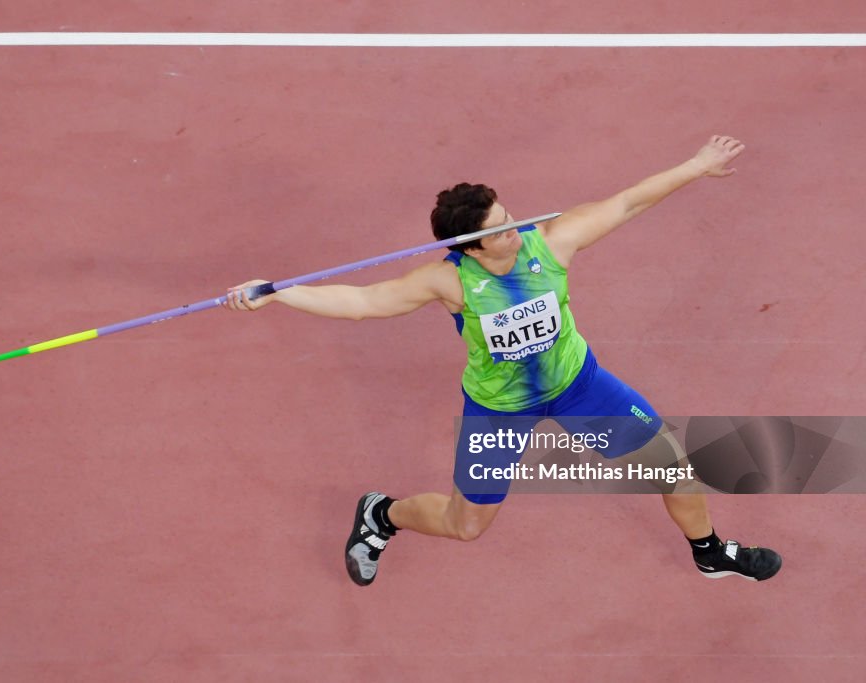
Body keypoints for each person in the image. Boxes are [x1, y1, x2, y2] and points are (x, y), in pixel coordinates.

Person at [224, 135, 781, 585]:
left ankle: (709, 552)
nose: (514, 231)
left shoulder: (552, 243)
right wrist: (277, 293)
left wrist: (697, 164)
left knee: (672, 465)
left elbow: (629, 201)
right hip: (499, 409)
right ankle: (380, 514)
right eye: (497, 231)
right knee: (466, 526)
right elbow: (364, 303)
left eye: (510, 216)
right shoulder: (449, 282)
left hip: (578, 385)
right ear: (468, 247)